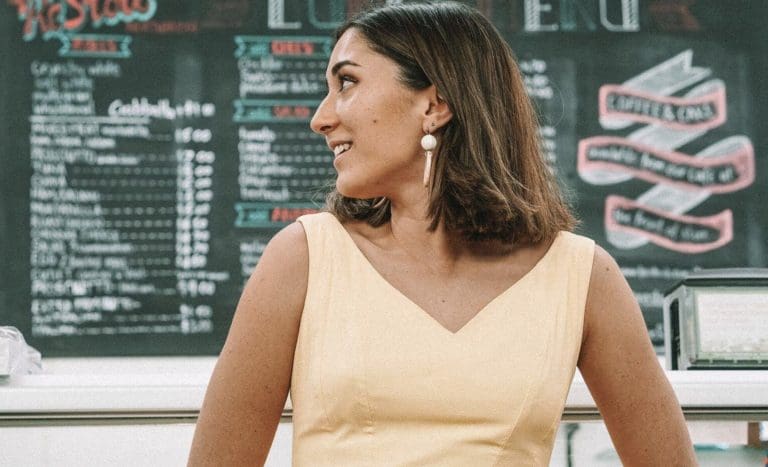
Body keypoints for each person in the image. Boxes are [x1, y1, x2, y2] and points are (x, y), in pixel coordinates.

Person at [188, 2, 696, 465]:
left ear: (434, 105)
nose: (321, 119)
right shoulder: (303, 258)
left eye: (347, 82)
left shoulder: (581, 275)